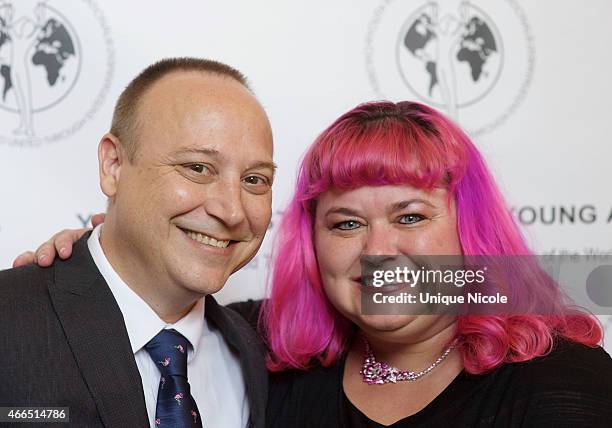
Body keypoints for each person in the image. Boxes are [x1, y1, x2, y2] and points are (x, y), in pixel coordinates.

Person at [16, 101, 612, 427]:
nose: (377, 249)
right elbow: (140, 297)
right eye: (346, 223)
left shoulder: (560, 381)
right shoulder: (262, 351)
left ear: (470, 231)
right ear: (313, 244)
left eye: (409, 217)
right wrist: (93, 259)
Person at [1, 57, 275, 428]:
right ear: (113, 165)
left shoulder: (258, 349)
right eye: (197, 168)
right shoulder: (11, 320)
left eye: (255, 180)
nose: (231, 210)